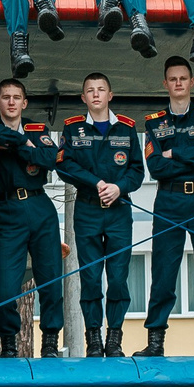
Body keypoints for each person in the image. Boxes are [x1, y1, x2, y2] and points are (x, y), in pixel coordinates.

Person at [138, 57, 194, 355]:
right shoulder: (153, 122)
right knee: (164, 270)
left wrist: (173, 151)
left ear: (192, 82)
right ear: (165, 83)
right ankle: (155, 340)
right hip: (169, 201)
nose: (178, 83)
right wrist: (191, 153)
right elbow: (156, 168)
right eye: (172, 79)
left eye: (183, 78)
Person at [56, 71, 141, 357]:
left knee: (118, 277)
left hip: (119, 211)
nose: (95, 94)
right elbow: (63, 166)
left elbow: (137, 171)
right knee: (90, 277)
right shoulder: (72, 128)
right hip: (88, 210)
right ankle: (93, 338)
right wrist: (95, 182)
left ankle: (114, 338)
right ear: (83, 97)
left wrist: (119, 187)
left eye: (101, 89)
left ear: (110, 95)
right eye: (90, 90)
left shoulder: (127, 129)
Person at [0, 78, 65, 357]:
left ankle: (50, 341)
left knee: (50, 280)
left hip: (41, 208)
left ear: (24, 103)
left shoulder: (38, 129)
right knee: (4, 288)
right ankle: (9, 344)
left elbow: (51, 158)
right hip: (8, 210)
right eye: (6, 97)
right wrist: (24, 144)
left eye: (17, 97)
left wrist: (20, 145)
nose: (12, 102)